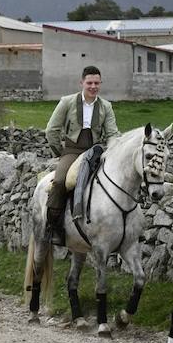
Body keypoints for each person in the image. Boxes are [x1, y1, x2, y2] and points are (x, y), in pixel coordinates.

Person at [44, 65, 120, 245]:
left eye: (97, 83)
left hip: (95, 151)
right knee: (61, 182)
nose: (93, 86)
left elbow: (112, 134)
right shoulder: (67, 102)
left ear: (100, 84)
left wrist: (112, 152)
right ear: (82, 83)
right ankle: (53, 227)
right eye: (90, 83)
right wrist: (59, 152)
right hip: (72, 151)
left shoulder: (106, 106)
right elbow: (51, 130)